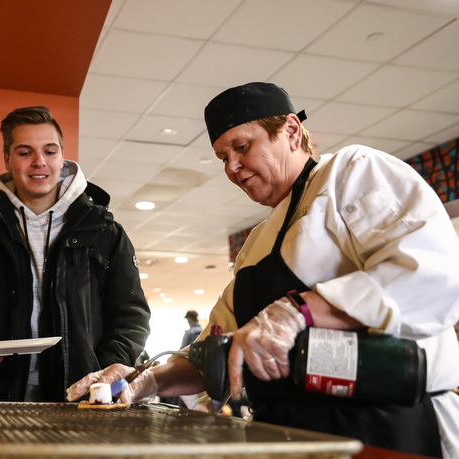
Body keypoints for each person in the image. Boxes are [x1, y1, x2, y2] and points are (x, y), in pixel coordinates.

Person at [68, 82, 459, 457]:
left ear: (291, 131)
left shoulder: (351, 173)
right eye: (223, 158)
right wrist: (148, 379)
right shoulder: (255, 242)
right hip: (289, 433)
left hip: (385, 428)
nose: (233, 168)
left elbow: (430, 275)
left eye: (242, 147)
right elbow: (217, 350)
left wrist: (297, 311)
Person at [0, 106, 150, 402]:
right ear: (7, 159)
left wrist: (103, 371)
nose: (39, 162)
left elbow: (132, 317)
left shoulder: (106, 231)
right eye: (25, 152)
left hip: (85, 401)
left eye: (49, 151)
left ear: (62, 156)